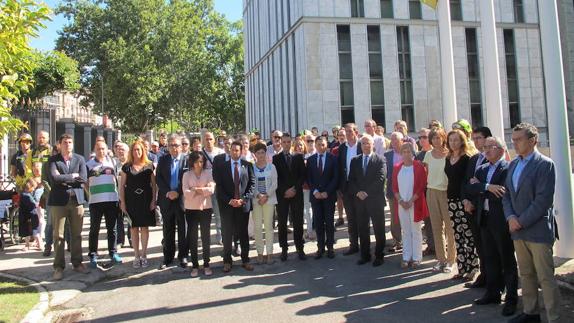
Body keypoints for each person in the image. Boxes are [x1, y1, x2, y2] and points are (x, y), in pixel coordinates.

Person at [503, 123, 561, 323]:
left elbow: (543, 200)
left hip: (537, 230)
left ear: (533, 140)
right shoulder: (513, 164)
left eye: (518, 139)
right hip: (517, 230)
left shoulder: (545, 164)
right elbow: (507, 195)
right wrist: (510, 218)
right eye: (513, 139)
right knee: (526, 273)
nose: (514, 143)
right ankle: (531, 312)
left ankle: (554, 317)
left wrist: (520, 220)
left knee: (545, 277)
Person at [466, 137, 518, 317]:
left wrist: (481, 188)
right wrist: (487, 187)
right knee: (489, 258)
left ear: (501, 150)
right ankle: (493, 293)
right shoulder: (482, 169)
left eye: (490, 147)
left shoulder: (508, 167)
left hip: (501, 220)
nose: (485, 150)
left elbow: (502, 192)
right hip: (485, 219)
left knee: (507, 259)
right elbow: (469, 189)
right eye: (484, 147)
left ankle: (511, 298)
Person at [48, 134, 89, 281]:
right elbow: (54, 178)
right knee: (58, 236)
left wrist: (64, 178)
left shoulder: (80, 159)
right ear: (59, 145)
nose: (68, 145)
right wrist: (73, 176)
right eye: (65, 142)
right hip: (59, 202)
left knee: (77, 234)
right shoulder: (53, 160)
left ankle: (77, 263)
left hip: (76, 200)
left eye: (70, 142)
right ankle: (58, 267)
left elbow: (83, 179)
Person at [213, 141, 255, 273]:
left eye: (237, 150)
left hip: (243, 206)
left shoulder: (247, 165)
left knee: (243, 233)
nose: (235, 152)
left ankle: (245, 260)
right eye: (233, 150)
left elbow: (252, 185)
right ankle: (227, 261)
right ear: (229, 151)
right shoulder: (222, 167)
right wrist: (230, 200)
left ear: (241, 151)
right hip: (228, 206)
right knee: (227, 233)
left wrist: (243, 199)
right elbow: (219, 187)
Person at [348, 134, 386, 267]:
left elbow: (381, 179)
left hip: (375, 200)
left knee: (378, 229)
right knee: (363, 229)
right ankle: (365, 255)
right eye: (363, 143)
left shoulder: (380, 159)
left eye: (368, 143)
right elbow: (351, 180)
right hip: (360, 201)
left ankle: (379, 255)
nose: (365, 145)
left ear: (373, 144)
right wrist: (358, 192)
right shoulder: (355, 160)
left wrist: (367, 192)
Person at [461, 126, 492, 289]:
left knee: (490, 247)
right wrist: (466, 200)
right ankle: (484, 274)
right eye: (474, 138)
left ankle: (493, 279)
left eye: (479, 138)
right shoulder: (474, 159)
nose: (476, 141)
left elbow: (486, 186)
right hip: (471, 209)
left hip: (485, 210)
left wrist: (476, 188)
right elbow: (466, 182)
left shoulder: (494, 159)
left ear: (488, 139)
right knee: (479, 244)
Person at [445, 129, 477, 281]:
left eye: (456, 140)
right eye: (451, 140)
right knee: (458, 235)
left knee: (468, 234)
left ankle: (473, 267)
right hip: (451, 199)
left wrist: (467, 199)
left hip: (463, 199)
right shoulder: (448, 157)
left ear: (462, 141)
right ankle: (462, 267)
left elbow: (467, 180)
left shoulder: (467, 159)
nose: (453, 143)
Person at [119, 139, 157, 269]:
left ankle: (144, 254)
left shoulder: (149, 165)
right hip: (131, 200)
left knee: (144, 228)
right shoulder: (126, 167)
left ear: (143, 151)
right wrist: (122, 202)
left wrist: (153, 200)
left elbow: (154, 185)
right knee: (133, 228)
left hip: (146, 200)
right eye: (134, 150)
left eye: (139, 150)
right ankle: (136, 255)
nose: (137, 152)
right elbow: (122, 186)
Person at [423, 127, 456, 273]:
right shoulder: (428, 155)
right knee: (436, 227)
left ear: (444, 138)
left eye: (439, 137)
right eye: (433, 137)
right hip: (432, 192)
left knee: (449, 228)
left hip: (446, 192)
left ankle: (450, 260)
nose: (436, 140)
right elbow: (428, 173)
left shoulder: (450, 154)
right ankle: (441, 259)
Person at [393, 143, 429, 269]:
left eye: (409, 151)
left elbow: (422, 186)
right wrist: (401, 201)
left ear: (412, 153)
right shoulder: (397, 167)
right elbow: (394, 187)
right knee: (405, 231)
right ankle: (406, 256)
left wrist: (411, 201)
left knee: (416, 230)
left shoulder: (419, 167)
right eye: (404, 151)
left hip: (415, 203)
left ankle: (416, 257)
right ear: (401, 153)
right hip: (402, 204)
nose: (406, 154)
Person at [86, 141, 122, 268]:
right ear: (94, 150)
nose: (101, 151)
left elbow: (119, 179)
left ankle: (113, 253)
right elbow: (85, 183)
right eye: (98, 149)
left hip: (111, 199)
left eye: (103, 148)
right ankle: (93, 255)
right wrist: (90, 194)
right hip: (95, 201)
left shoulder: (113, 162)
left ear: (107, 150)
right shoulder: (88, 164)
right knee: (94, 229)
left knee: (112, 229)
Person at [156, 134, 189, 269]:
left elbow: (188, 179)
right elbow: (159, 178)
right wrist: (168, 192)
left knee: (183, 229)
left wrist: (178, 192)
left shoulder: (187, 160)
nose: (174, 148)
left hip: (182, 199)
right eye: (171, 145)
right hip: (167, 199)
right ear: (168, 147)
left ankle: (183, 256)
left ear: (181, 146)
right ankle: (168, 257)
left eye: (176, 145)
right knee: (168, 229)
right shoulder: (163, 160)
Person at [273, 134, 306, 261]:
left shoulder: (298, 157)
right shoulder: (276, 158)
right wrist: (284, 190)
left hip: (296, 194)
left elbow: (302, 175)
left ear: (291, 143)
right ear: (281, 143)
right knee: (282, 222)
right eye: (284, 142)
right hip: (282, 195)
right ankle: (284, 249)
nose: (286, 144)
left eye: (288, 142)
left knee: (298, 221)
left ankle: (299, 247)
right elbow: (276, 178)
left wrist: (295, 189)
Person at [182, 151, 215, 277]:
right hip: (191, 209)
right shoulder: (186, 175)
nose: (199, 164)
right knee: (193, 238)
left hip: (206, 208)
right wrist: (201, 190)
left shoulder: (209, 173)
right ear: (192, 162)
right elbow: (186, 192)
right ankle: (195, 265)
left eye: (201, 161)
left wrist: (196, 189)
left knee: (206, 237)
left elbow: (211, 189)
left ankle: (207, 264)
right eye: (196, 162)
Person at [307, 136, 338, 259]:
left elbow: (336, 177)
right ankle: (320, 248)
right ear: (315, 145)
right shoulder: (310, 160)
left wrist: (327, 192)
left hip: (328, 196)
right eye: (319, 144)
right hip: (315, 196)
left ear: (327, 145)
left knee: (329, 222)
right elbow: (309, 178)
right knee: (318, 223)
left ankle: (330, 247)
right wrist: (315, 191)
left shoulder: (333, 159)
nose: (321, 147)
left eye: (323, 144)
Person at [337, 123, 362, 255]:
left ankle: (364, 244)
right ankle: (353, 244)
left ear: (356, 132)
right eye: (345, 132)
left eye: (349, 131)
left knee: (361, 216)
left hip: (360, 187)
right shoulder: (342, 148)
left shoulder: (361, 145)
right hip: (346, 188)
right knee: (351, 217)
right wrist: (340, 188)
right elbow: (340, 168)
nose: (347, 134)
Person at [252, 142, 278, 264]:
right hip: (256, 200)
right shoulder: (251, 168)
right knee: (257, 227)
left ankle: (269, 253)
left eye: (263, 152)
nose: (261, 155)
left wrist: (266, 195)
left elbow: (274, 184)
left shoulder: (271, 167)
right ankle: (259, 252)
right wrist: (258, 195)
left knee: (268, 226)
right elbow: (251, 184)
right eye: (258, 153)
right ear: (255, 154)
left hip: (269, 199)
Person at [201, 131, 225, 244]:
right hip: (204, 187)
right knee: (204, 214)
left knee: (219, 212)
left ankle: (220, 234)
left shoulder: (220, 152)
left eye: (210, 139)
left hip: (218, 186)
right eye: (206, 139)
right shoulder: (200, 154)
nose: (208, 141)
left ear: (214, 140)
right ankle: (204, 237)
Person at [383, 132, 404, 252]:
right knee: (395, 216)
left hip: (406, 190)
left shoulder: (408, 153)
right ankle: (397, 241)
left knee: (407, 216)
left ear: (402, 141)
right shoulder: (387, 155)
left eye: (396, 140)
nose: (394, 142)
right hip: (392, 190)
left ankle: (407, 240)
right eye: (392, 140)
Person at [415, 128, 434, 256]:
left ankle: (441, 247)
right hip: (423, 192)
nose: (421, 140)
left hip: (435, 191)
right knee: (427, 222)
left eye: (424, 137)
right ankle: (431, 246)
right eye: (420, 137)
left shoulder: (436, 153)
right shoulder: (418, 156)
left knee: (439, 221)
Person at [293, 137, 315, 240]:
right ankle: (301, 232)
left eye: (301, 145)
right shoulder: (292, 158)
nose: (299, 147)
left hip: (306, 186)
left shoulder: (308, 157)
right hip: (296, 188)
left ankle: (310, 231)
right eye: (297, 145)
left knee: (308, 209)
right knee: (299, 211)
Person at [114, 142, 131, 249]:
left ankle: (131, 239)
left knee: (130, 219)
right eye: (119, 150)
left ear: (127, 152)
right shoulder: (113, 163)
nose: (120, 152)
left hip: (129, 195)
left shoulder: (131, 164)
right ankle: (120, 240)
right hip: (116, 194)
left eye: (123, 150)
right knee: (118, 219)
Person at [18, 178, 40, 251]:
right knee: (35, 230)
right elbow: (33, 204)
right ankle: (39, 244)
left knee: (27, 231)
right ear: (30, 186)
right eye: (33, 187)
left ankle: (28, 245)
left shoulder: (24, 194)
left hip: (25, 215)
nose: (34, 189)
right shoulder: (27, 195)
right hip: (32, 214)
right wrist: (37, 204)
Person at [331, 128, 347, 227]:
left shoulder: (350, 147)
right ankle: (340, 217)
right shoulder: (335, 149)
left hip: (348, 177)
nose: (341, 136)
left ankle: (350, 216)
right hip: (338, 177)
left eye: (343, 135)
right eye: (339, 135)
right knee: (339, 198)